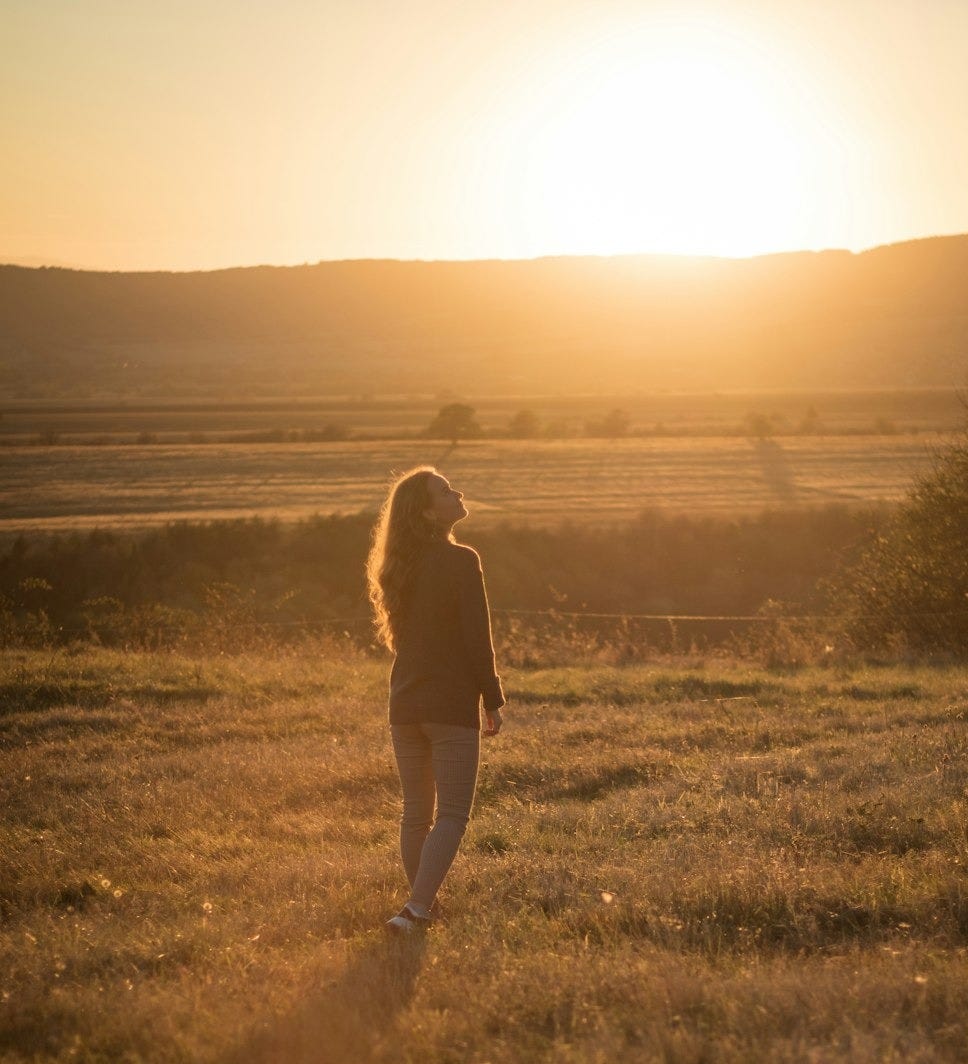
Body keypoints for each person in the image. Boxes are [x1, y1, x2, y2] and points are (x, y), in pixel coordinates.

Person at [366, 466, 506, 933]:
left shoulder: (397, 565)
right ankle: (416, 908)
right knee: (451, 814)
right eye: (445, 491)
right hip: (448, 706)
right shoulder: (461, 560)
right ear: (427, 511)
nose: (457, 492)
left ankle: (419, 904)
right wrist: (492, 696)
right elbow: (476, 636)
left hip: (404, 704)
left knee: (416, 814)